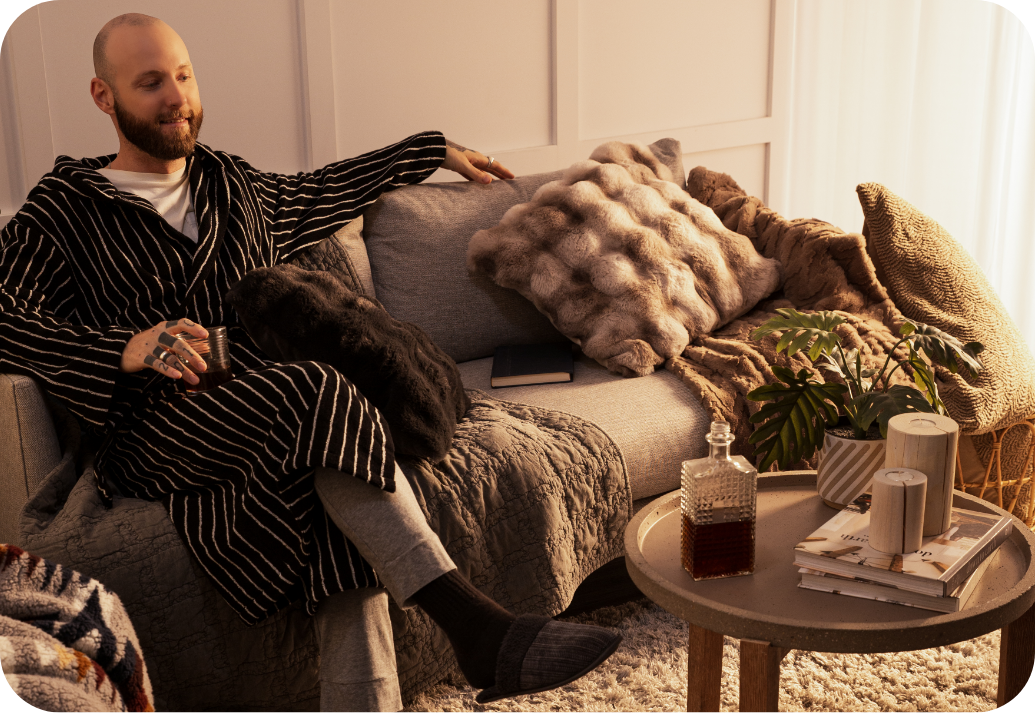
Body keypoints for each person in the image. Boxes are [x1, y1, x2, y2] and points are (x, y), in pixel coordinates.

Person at [0, 13, 621, 713]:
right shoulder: (62, 213)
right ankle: (472, 623)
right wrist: (124, 347)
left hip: (268, 413)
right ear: (103, 97)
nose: (176, 97)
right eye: (150, 83)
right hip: (155, 427)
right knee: (317, 388)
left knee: (323, 491)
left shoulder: (233, 185)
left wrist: (429, 149)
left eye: (182, 75)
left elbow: (331, 187)